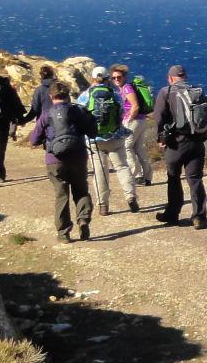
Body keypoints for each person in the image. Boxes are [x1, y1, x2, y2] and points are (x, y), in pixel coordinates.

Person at [29, 80, 95, 242]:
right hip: (78, 156)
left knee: (61, 194)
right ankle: (83, 219)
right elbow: (93, 132)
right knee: (81, 190)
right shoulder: (78, 112)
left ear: (51, 96)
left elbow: (34, 140)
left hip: (55, 159)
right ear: (68, 95)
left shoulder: (46, 115)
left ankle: (63, 233)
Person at [150, 64, 207, 228]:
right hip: (197, 142)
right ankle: (199, 216)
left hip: (175, 143)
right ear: (185, 76)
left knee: (173, 177)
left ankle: (172, 214)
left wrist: (160, 138)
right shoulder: (197, 91)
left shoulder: (166, 92)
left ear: (170, 78)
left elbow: (159, 118)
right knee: (195, 179)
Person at [77, 65, 139, 213]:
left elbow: (78, 113)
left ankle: (103, 205)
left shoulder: (86, 94)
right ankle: (130, 197)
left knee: (100, 172)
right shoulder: (115, 94)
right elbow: (122, 111)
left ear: (92, 78)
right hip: (115, 137)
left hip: (94, 140)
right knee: (122, 167)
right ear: (107, 79)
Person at [108, 63, 154, 186]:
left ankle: (137, 175)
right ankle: (148, 176)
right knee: (139, 148)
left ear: (124, 77)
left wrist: (128, 120)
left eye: (119, 77)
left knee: (127, 146)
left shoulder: (127, 88)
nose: (117, 79)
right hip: (141, 121)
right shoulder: (123, 88)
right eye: (114, 78)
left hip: (134, 121)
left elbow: (135, 106)